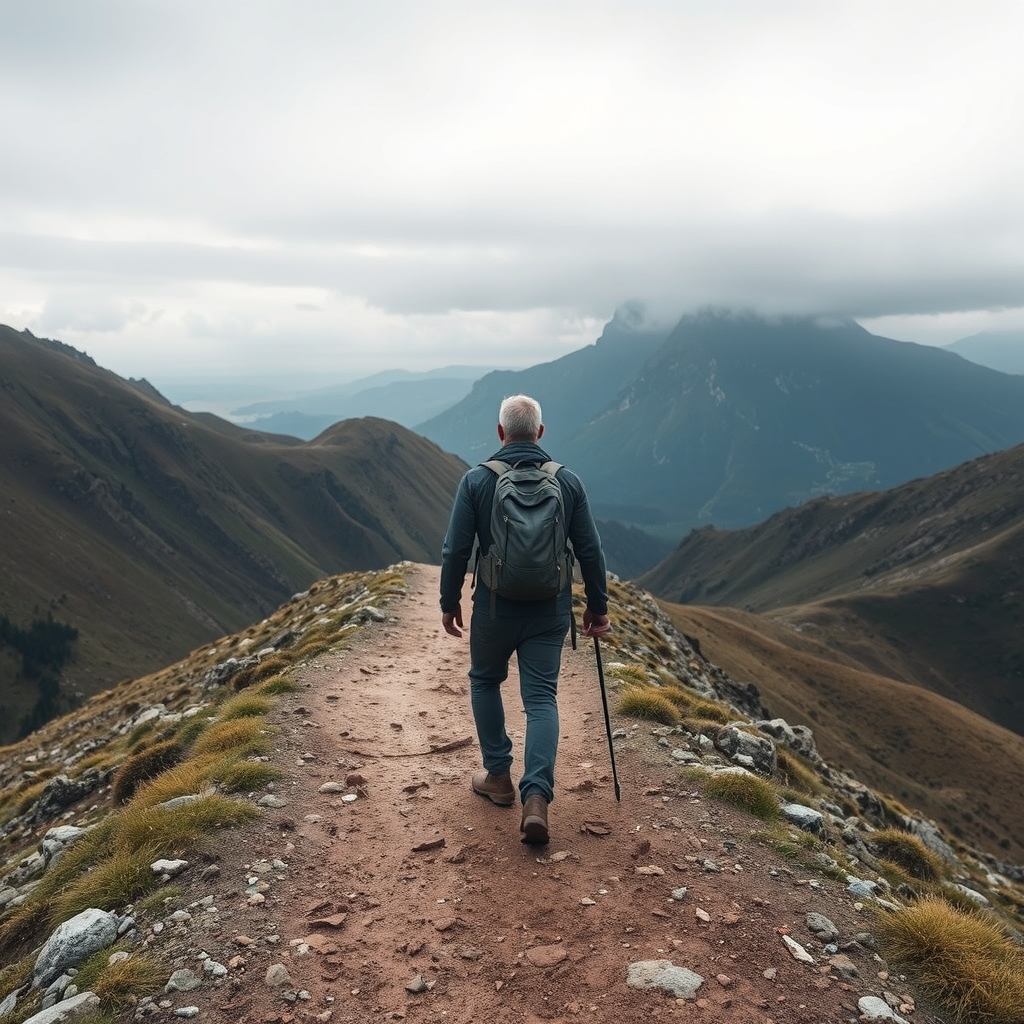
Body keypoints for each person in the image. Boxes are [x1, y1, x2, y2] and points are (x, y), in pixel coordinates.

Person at [439, 394, 610, 845]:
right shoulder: (567, 482)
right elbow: (590, 550)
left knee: (484, 680)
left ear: (501, 432)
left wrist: (449, 601)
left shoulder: (477, 481)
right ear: (540, 432)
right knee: (540, 699)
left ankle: (498, 777)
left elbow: (455, 550)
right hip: (550, 610)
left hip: (494, 607)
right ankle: (536, 797)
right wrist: (598, 606)